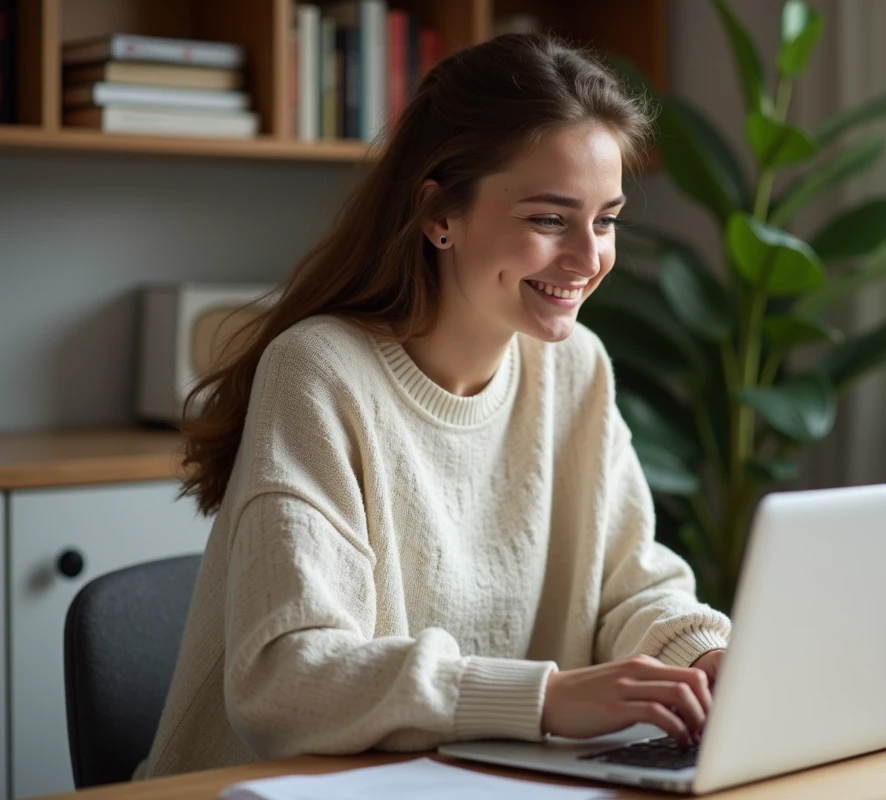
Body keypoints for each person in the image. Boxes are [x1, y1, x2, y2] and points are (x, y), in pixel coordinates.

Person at [135, 32, 731, 780]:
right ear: (440, 214)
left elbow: (632, 588)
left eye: (605, 219)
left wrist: (705, 656)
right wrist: (541, 699)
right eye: (549, 219)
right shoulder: (321, 371)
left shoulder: (575, 367)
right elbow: (285, 678)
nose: (588, 259)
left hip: (475, 782)